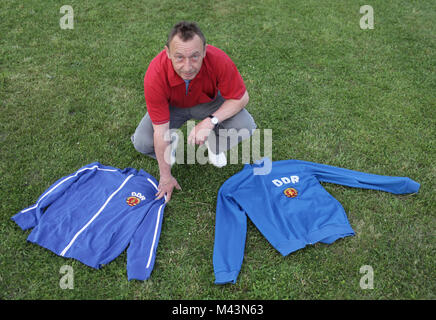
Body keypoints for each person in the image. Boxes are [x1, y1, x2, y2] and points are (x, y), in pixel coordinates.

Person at [131, 21, 256, 203]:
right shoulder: (155, 74)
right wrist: (165, 177)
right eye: (179, 57)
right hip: (172, 107)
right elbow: (160, 130)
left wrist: (210, 121)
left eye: (195, 56)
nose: (188, 67)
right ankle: (169, 146)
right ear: (167, 53)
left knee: (245, 125)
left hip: (207, 102)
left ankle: (214, 146)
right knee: (142, 142)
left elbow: (241, 98)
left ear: (205, 51)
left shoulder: (218, 59)